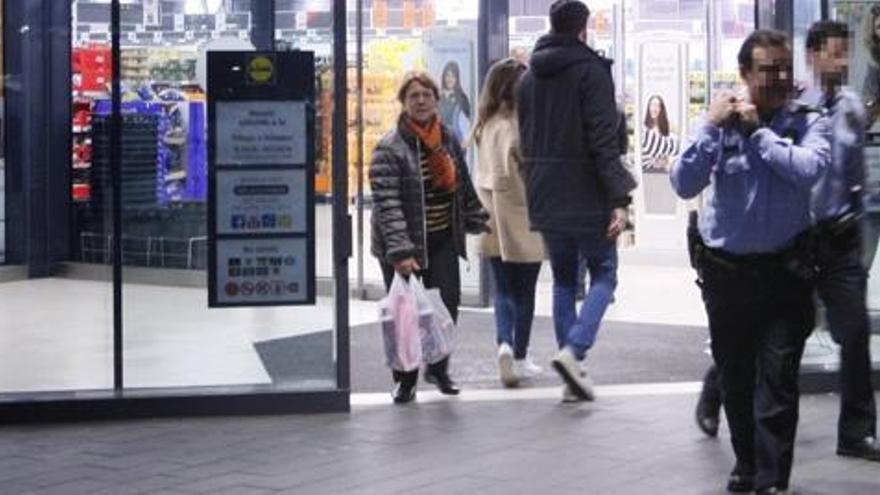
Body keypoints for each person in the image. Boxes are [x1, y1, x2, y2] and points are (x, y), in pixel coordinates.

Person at [671, 30, 831, 494]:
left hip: (786, 275)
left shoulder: (806, 123)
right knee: (736, 380)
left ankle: (773, 479)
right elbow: (683, 182)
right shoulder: (719, 123)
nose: (780, 77)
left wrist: (758, 134)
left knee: (778, 380)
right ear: (745, 74)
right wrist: (708, 127)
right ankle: (746, 463)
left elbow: (809, 171)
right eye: (768, 69)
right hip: (727, 277)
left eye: (785, 67)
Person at [516, 0, 636, 402]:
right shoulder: (592, 72)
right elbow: (603, 140)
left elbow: (526, 139)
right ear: (584, 29)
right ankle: (574, 350)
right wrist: (619, 198)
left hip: (544, 191)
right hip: (586, 190)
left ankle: (572, 376)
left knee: (565, 279)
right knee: (605, 272)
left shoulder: (528, 78)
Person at [370, 71, 489, 404]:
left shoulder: (448, 138)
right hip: (402, 246)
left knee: (445, 309)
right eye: (413, 96)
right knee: (406, 316)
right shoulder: (389, 147)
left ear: (436, 100)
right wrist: (401, 251)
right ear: (404, 104)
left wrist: (475, 216)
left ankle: (438, 368)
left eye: (426, 95)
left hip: (440, 240)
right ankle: (405, 379)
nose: (421, 101)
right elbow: (388, 204)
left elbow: (461, 183)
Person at [471, 58, 545, 388]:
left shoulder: (484, 125)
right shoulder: (520, 127)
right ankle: (520, 355)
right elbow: (532, 173)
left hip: (490, 218)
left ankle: (503, 342)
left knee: (503, 290)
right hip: (521, 216)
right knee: (525, 290)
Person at [641, 95, 679, 172]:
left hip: (663, 167)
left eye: (657, 106)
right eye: (652, 105)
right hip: (648, 168)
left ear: (661, 109)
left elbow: (682, 133)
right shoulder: (644, 128)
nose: (654, 108)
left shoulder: (667, 125)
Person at [439, 61, 472, 146]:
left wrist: (468, 140)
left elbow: (472, 119)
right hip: (439, 142)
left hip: (457, 142)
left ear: (457, 78)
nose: (450, 79)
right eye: (447, 75)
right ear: (444, 77)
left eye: (453, 76)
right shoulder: (437, 96)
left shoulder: (461, 97)